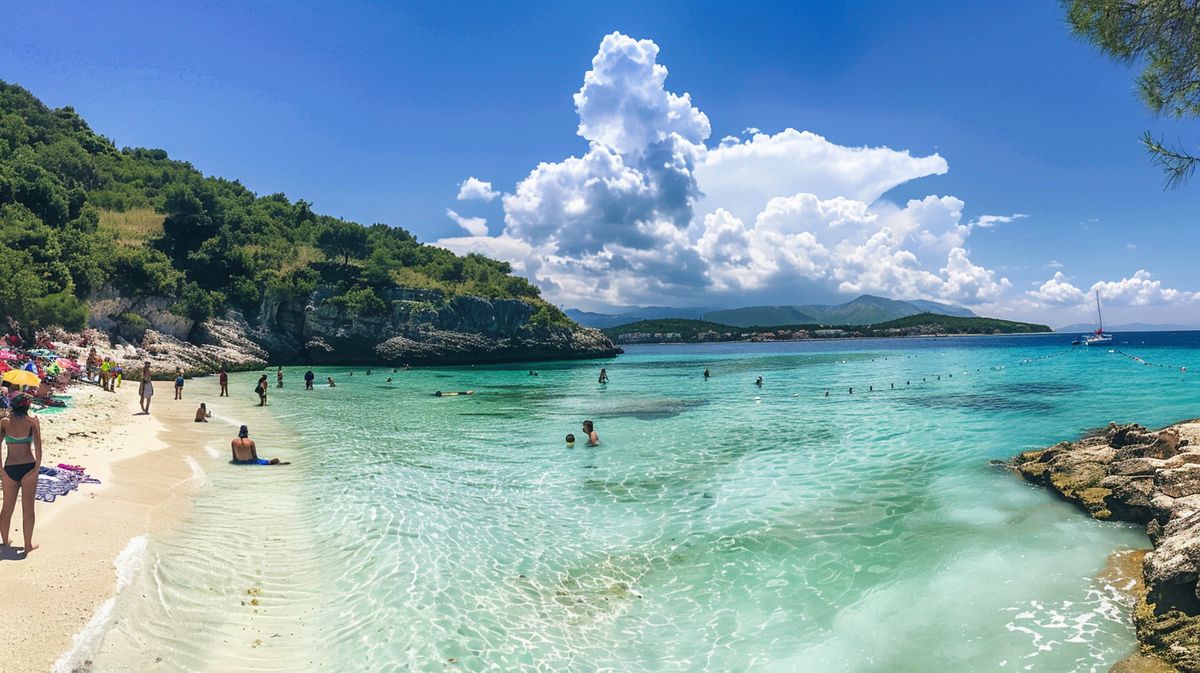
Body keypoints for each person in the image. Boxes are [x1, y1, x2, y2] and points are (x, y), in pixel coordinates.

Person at [1, 393, 42, 553]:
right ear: (27, 406)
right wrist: (37, 468)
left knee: (6, 508)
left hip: (10, 468)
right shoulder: (32, 422)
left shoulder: (4, 422)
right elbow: (38, 447)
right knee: (28, 509)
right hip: (29, 468)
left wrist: (0, 470)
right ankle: (27, 545)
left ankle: (5, 541)